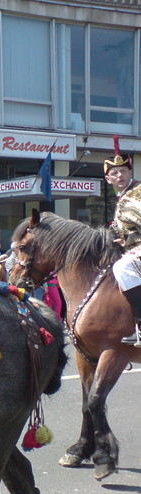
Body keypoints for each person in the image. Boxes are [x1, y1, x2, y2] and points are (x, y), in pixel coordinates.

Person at [105, 135, 141, 346]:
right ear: (108, 179)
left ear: (130, 172)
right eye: (114, 173)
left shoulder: (136, 193)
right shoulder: (124, 197)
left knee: (123, 268)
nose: (120, 175)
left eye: (123, 171)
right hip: (134, 247)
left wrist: (127, 240)